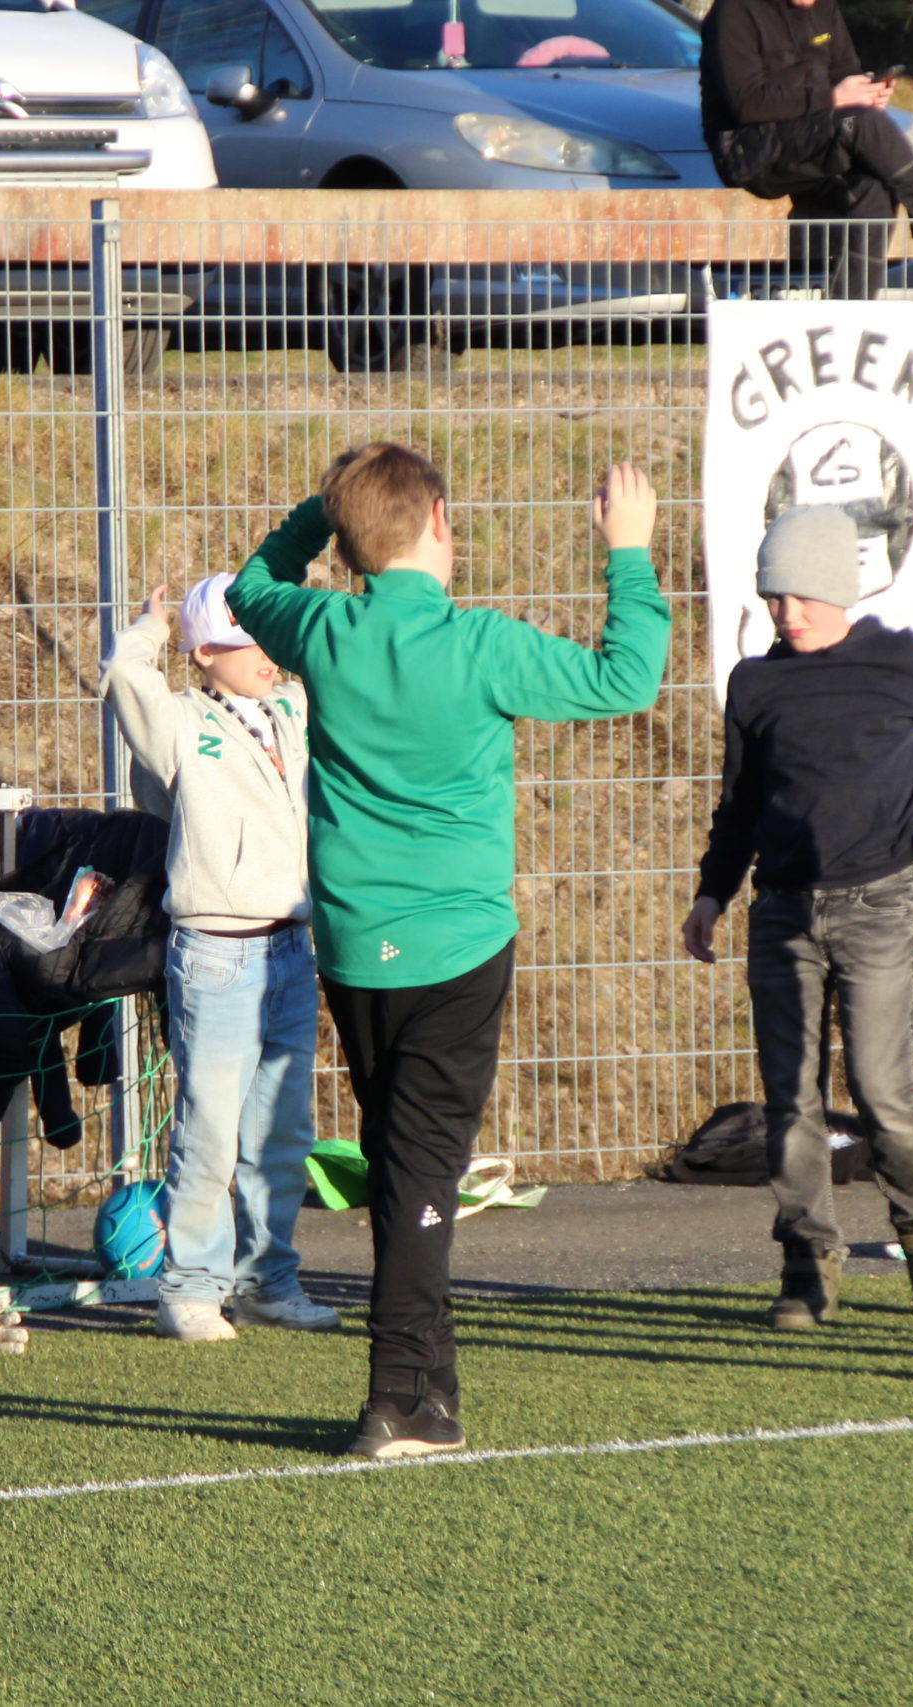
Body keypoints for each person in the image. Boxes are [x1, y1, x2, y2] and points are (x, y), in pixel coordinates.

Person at [226, 447, 669, 1459]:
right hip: (455, 945)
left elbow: (250, 586)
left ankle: (432, 1389)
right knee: (422, 1171)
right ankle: (396, 1394)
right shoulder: (479, 644)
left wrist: (321, 515)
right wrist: (630, 553)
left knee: (401, 1160)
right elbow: (627, 677)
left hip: (355, 945)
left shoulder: (325, 626)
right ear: (437, 519)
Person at [680, 505, 913, 1329]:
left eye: (803, 596)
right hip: (782, 912)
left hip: (877, 903)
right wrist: (712, 892)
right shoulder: (754, 683)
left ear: (841, 589)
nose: (788, 612)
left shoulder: (901, 662)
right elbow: (739, 804)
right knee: (791, 1100)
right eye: (774, 597)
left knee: (882, 1089)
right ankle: (808, 1259)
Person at [102, 574, 338, 1343]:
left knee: (282, 1132)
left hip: (290, 949)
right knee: (209, 1131)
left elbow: (339, 657)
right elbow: (124, 674)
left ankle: (269, 1281)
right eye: (246, 641)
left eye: (270, 637)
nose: (267, 654)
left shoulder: (293, 705)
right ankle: (190, 1289)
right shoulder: (179, 722)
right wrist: (152, 625)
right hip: (215, 954)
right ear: (203, 651)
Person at [698, 0, 913, 300]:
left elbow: (845, 73)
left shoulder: (824, 8)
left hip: (813, 143)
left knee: (872, 190)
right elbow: (747, 104)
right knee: (858, 123)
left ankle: (850, 313)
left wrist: (866, 92)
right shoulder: (734, 11)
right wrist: (834, 98)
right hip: (750, 151)